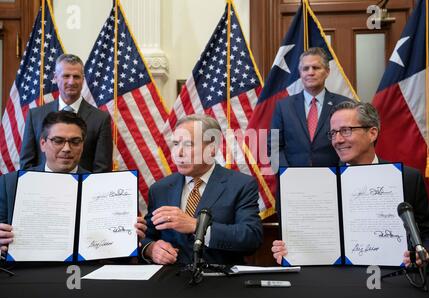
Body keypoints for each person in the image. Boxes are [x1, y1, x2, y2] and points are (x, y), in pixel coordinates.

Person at [272, 101, 429, 267]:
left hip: (394, 281)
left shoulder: (407, 178)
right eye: (333, 133)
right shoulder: (320, 184)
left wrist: (426, 254)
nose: (337, 140)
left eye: (346, 131)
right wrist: (289, 250)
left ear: (372, 133)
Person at [0, 111, 146, 255]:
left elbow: (115, 247)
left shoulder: (104, 187)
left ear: (82, 145)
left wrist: (128, 239)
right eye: (58, 140)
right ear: (43, 144)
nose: (67, 149)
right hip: (25, 272)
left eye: (75, 142)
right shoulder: (9, 184)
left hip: (89, 272)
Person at [141, 114, 263, 265]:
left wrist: (196, 226)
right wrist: (151, 249)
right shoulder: (160, 189)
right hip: (169, 279)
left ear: (211, 149)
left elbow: (251, 238)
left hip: (219, 279)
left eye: (188, 144)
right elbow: (147, 236)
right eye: (175, 144)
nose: (178, 153)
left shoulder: (241, 185)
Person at [20, 53, 112, 173]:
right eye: (66, 76)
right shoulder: (35, 116)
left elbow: (102, 169)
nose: (71, 81)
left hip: (82, 188)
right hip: (42, 188)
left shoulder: (100, 118)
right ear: (55, 77)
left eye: (76, 76)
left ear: (83, 79)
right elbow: (27, 164)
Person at [270, 47, 351, 168]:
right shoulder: (283, 106)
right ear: (300, 73)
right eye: (305, 68)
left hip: (334, 179)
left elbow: (349, 143)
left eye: (316, 68)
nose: (310, 72)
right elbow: (273, 145)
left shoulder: (344, 105)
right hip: (292, 180)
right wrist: (285, 174)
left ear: (327, 72)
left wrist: (340, 173)